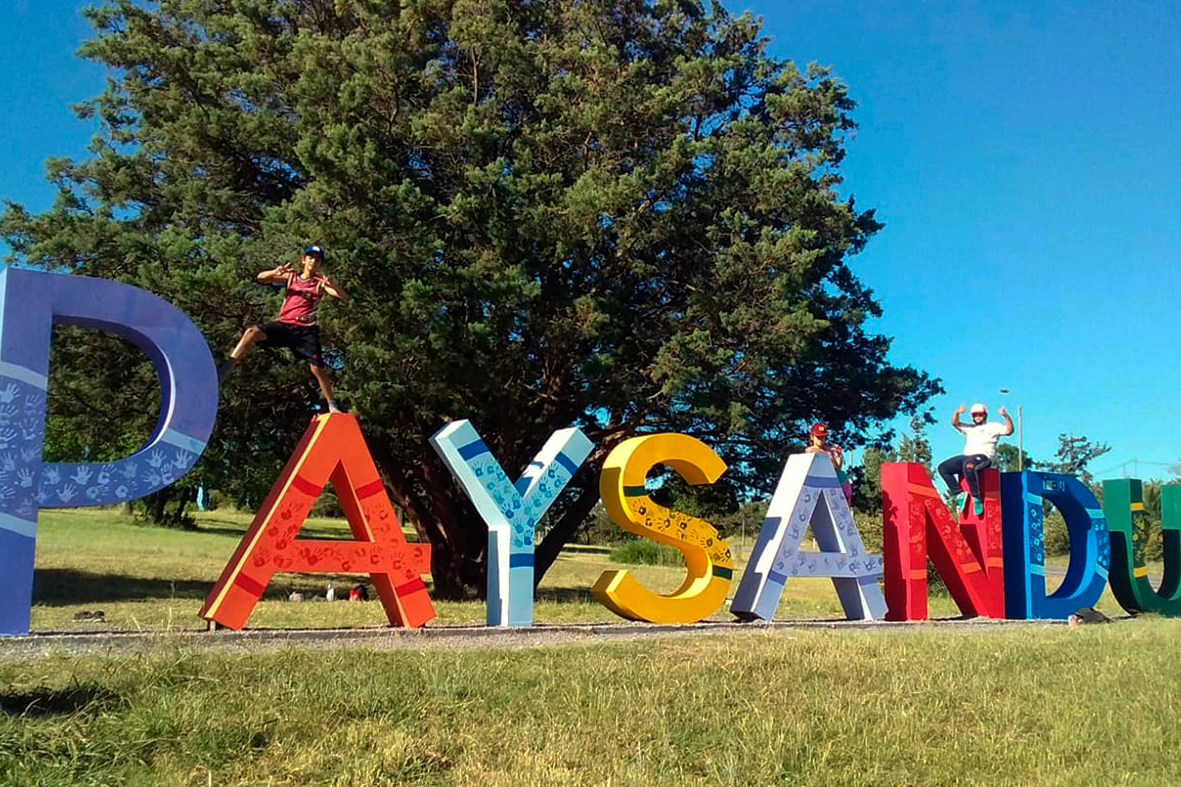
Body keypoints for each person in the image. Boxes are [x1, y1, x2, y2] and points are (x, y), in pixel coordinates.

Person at [218, 245, 349, 412]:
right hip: (284, 326)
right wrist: (275, 272)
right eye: (310, 258)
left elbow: (344, 297)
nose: (313, 261)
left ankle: (332, 404)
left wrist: (334, 285)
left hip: (305, 331)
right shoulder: (292, 277)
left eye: (317, 260)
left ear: (319, 264)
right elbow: (261, 277)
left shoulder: (319, 284)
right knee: (252, 332)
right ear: (303, 260)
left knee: (316, 367)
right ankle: (227, 366)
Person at [936, 402, 1014, 516]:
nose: (978, 417)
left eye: (980, 414)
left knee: (969, 465)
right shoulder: (969, 427)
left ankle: (976, 497)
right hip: (967, 456)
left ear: (985, 415)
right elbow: (954, 423)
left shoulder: (993, 426)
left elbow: (1009, 431)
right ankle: (958, 493)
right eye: (975, 415)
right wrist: (957, 412)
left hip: (983, 456)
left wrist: (1006, 416)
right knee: (943, 468)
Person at [805, 422, 852, 505]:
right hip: (827, 482)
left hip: (840, 479)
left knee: (845, 506)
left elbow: (838, 466)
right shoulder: (810, 450)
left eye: (823, 436)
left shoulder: (829, 450)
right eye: (818, 437)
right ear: (812, 437)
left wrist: (838, 454)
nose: (821, 439)